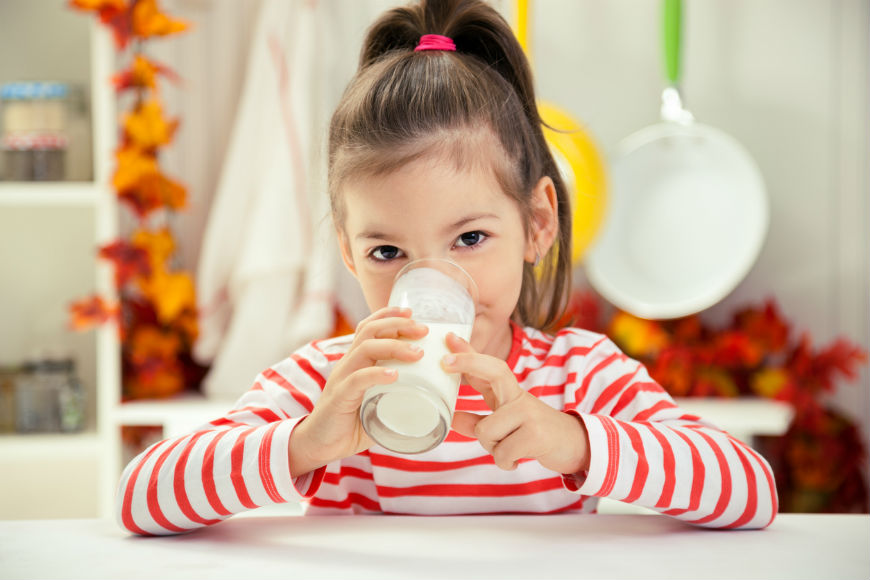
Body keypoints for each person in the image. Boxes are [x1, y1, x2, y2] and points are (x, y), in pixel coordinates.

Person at [117, 0, 777, 535]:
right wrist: (304, 443)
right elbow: (141, 497)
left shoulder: (578, 376)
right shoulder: (328, 381)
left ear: (537, 223)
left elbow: (749, 491)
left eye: (469, 238)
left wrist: (575, 442)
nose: (430, 282)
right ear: (347, 250)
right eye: (387, 252)